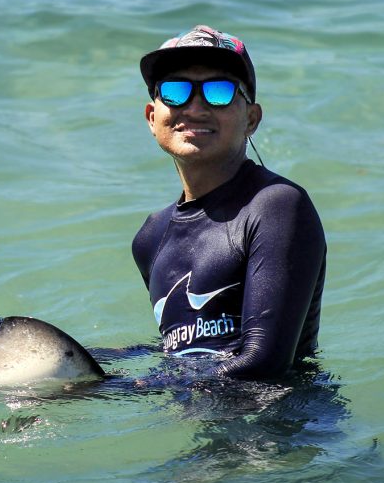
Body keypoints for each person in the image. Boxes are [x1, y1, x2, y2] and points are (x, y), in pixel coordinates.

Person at [131, 25, 326, 379]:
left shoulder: (275, 206)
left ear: (251, 119)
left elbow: (263, 364)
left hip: (279, 429)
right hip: (201, 424)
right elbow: (182, 348)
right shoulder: (151, 237)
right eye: (175, 91)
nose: (195, 107)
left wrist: (117, 391)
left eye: (218, 92)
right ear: (151, 117)